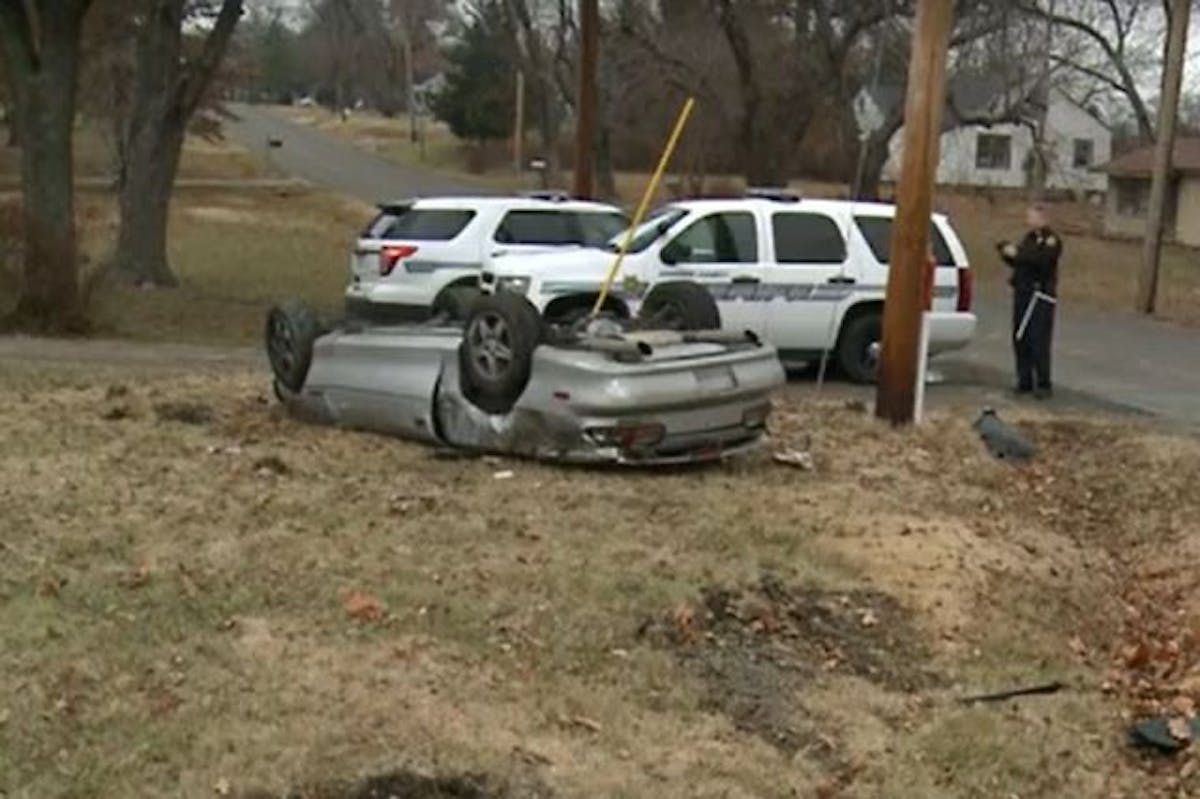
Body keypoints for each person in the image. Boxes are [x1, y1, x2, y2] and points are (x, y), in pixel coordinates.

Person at [996, 203, 1062, 399]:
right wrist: (1006, 253)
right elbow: (1021, 262)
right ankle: (1024, 380)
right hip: (1022, 292)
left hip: (1039, 295)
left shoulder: (1051, 241)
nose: (1029, 220)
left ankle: (1043, 383)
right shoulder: (1029, 238)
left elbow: (1041, 261)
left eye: (1033, 217)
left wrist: (1018, 253)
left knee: (1038, 339)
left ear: (1043, 218)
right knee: (1021, 337)